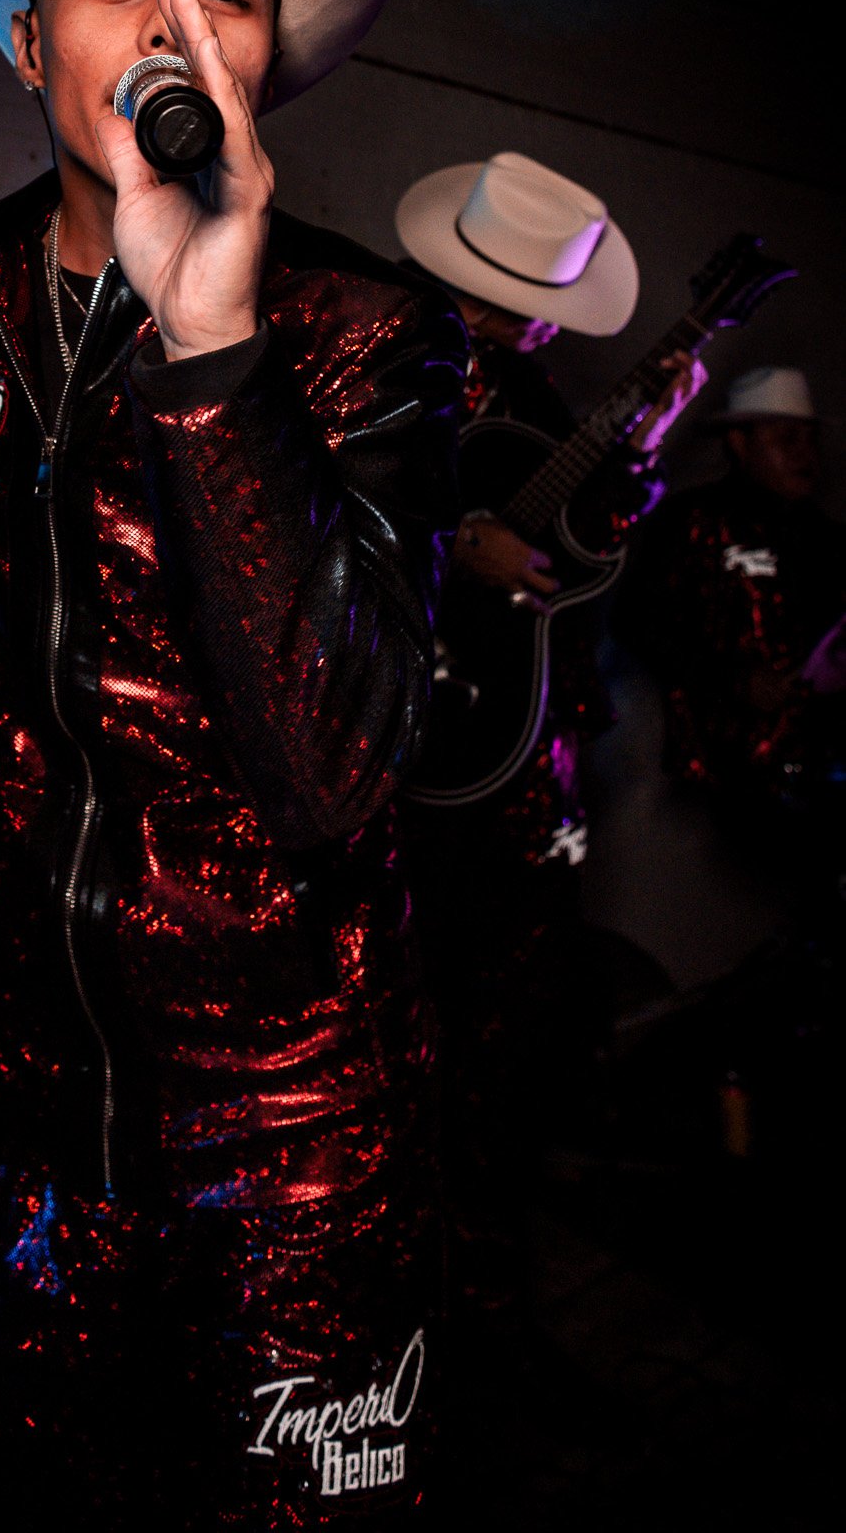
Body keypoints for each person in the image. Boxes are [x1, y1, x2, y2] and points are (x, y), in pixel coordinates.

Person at [0, 0, 466, 1526]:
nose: (176, 26)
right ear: (32, 46)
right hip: (28, 1101)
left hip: (295, 1132)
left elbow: (340, 773)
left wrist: (210, 354)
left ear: (265, 64)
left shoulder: (363, 331)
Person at [392, 151, 706, 1495]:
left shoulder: (530, 397)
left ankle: (491, 1336)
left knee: (507, 1075)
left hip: (534, 780)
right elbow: (290, 538)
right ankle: (395, 1359)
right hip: (418, 781)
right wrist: (444, 541)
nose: (534, 330)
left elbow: (595, 554)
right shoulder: (371, 370)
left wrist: (647, 447)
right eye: (524, 303)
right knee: (413, 1066)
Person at [623, 366, 846, 923]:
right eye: (785, 438)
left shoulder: (825, 538)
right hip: (720, 780)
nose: (804, 454)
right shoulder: (689, 522)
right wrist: (731, 680)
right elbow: (638, 622)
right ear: (739, 443)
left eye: (810, 438)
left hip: (818, 770)